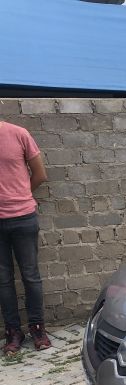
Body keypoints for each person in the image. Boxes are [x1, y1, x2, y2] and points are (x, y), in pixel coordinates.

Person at [0, 120, 50, 354]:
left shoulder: (19, 134)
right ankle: (13, 331)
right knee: (3, 280)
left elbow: (40, 174)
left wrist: (19, 196)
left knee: (31, 276)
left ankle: (37, 328)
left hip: (23, 218)